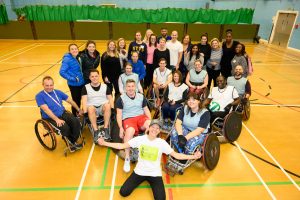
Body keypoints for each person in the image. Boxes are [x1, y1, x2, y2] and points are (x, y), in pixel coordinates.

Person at [97, 119, 201, 200]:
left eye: (157, 128)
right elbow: (122, 145)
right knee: (123, 193)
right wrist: (105, 143)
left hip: (154, 174)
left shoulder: (161, 143)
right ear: (149, 128)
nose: (154, 130)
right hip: (139, 172)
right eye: (153, 127)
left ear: (159, 131)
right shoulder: (140, 139)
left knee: (161, 199)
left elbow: (177, 155)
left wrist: (193, 156)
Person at [35, 76, 83, 152]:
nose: (49, 87)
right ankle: (71, 142)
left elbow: (70, 101)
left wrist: (79, 109)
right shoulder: (39, 96)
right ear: (43, 85)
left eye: (51, 85)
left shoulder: (58, 92)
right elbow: (46, 110)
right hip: (50, 118)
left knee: (76, 121)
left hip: (62, 113)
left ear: (53, 84)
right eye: (47, 85)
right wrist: (57, 119)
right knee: (65, 127)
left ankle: (72, 140)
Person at [115, 79, 151, 172]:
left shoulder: (141, 96)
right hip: (128, 119)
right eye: (128, 86)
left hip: (140, 117)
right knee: (130, 131)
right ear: (125, 88)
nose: (131, 88)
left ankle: (146, 153)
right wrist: (120, 128)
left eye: (132, 86)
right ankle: (127, 157)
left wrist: (150, 121)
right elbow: (119, 114)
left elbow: (146, 109)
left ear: (135, 87)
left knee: (149, 124)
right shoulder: (121, 99)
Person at [81, 69, 114, 142]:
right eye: (92, 76)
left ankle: (105, 129)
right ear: (89, 77)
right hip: (92, 109)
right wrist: (85, 114)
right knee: (90, 108)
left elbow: (110, 98)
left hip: (103, 108)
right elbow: (84, 101)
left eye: (96, 76)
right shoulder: (85, 88)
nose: (94, 78)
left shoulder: (105, 86)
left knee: (108, 105)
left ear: (99, 76)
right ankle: (96, 131)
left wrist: (112, 109)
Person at [59, 43, 85, 116]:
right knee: (76, 101)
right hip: (74, 85)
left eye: (75, 49)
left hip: (81, 82)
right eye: (72, 49)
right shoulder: (67, 59)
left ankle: (81, 113)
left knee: (83, 99)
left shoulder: (77, 57)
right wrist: (72, 78)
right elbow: (62, 72)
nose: (74, 50)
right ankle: (75, 116)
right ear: (69, 51)